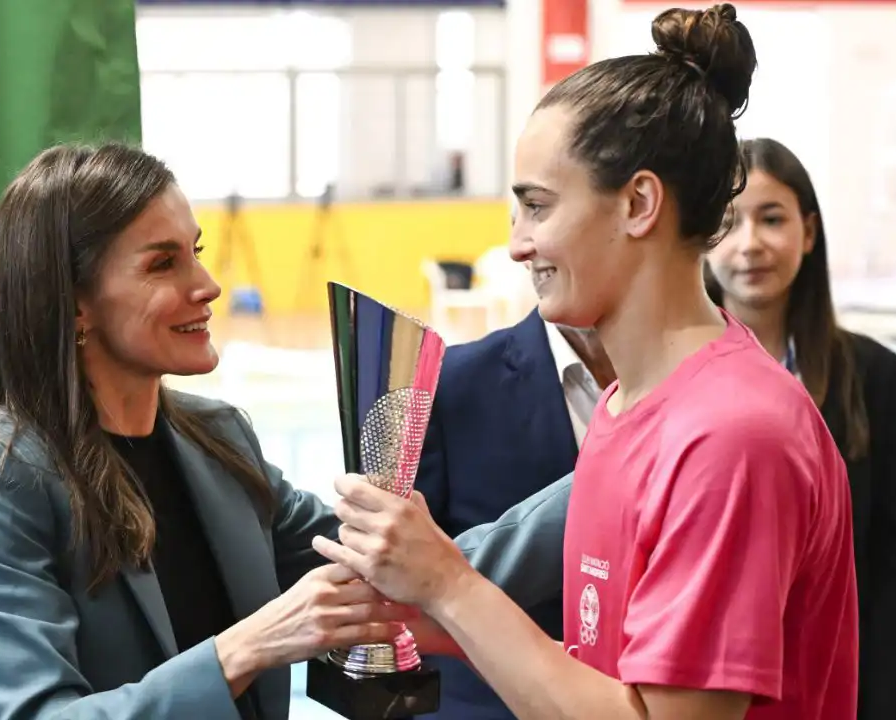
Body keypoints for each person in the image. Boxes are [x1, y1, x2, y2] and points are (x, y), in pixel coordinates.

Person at [313, 5, 859, 720]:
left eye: (538, 208)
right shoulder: (625, 405)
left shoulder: (732, 436)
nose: (517, 245)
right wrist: (421, 611)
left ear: (638, 203)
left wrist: (450, 582)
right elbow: (603, 669)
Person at [0, 143, 571, 720]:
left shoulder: (218, 444)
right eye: (163, 264)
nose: (209, 284)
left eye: (194, 252)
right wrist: (249, 645)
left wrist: (612, 461)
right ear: (74, 304)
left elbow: (404, 571)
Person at [703, 137, 896, 720]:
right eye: (729, 223)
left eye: (771, 219)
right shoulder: (676, 380)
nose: (750, 244)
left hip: (837, 684)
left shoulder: (871, 375)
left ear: (808, 231)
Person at [415, 262, 613, 720]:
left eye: (543, 207)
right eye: (523, 210)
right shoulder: (451, 384)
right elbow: (401, 591)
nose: (521, 244)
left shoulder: (705, 392)